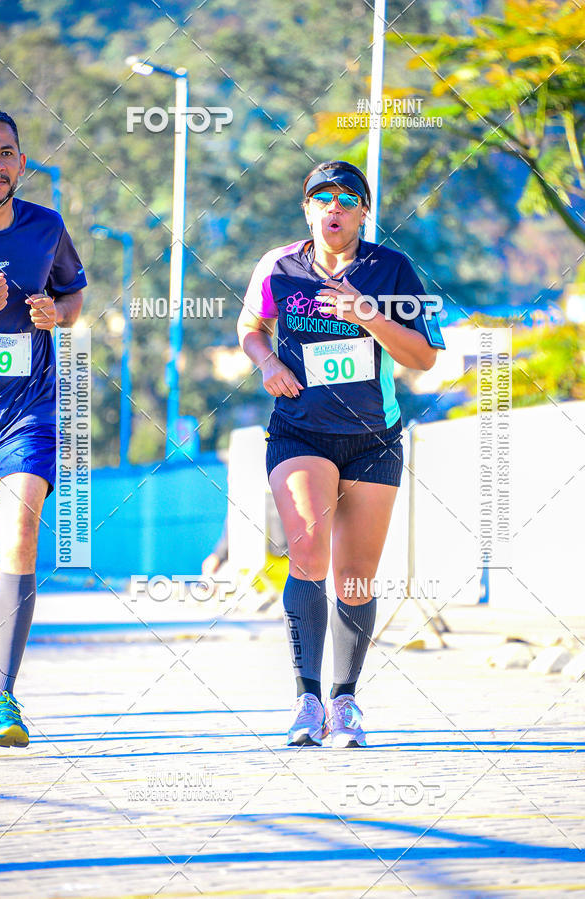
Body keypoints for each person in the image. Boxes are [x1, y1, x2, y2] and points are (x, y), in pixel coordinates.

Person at [237, 160, 444, 748]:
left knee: (356, 576)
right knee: (307, 548)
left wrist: (367, 314)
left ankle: (344, 700)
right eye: (321, 198)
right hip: (300, 429)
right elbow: (250, 325)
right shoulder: (279, 266)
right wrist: (268, 361)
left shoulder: (392, 268)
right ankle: (305, 699)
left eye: (347, 199)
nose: (334, 208)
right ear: (307, 209)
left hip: (374, 436)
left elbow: (424, 359)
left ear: (363, 211)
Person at [0, 108, 86, 755]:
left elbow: (75, 296)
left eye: (5, 152)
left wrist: (56, 312)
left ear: (21, 161)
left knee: (20, 532)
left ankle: (1, 696)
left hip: (28, 409)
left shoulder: (46, 227)